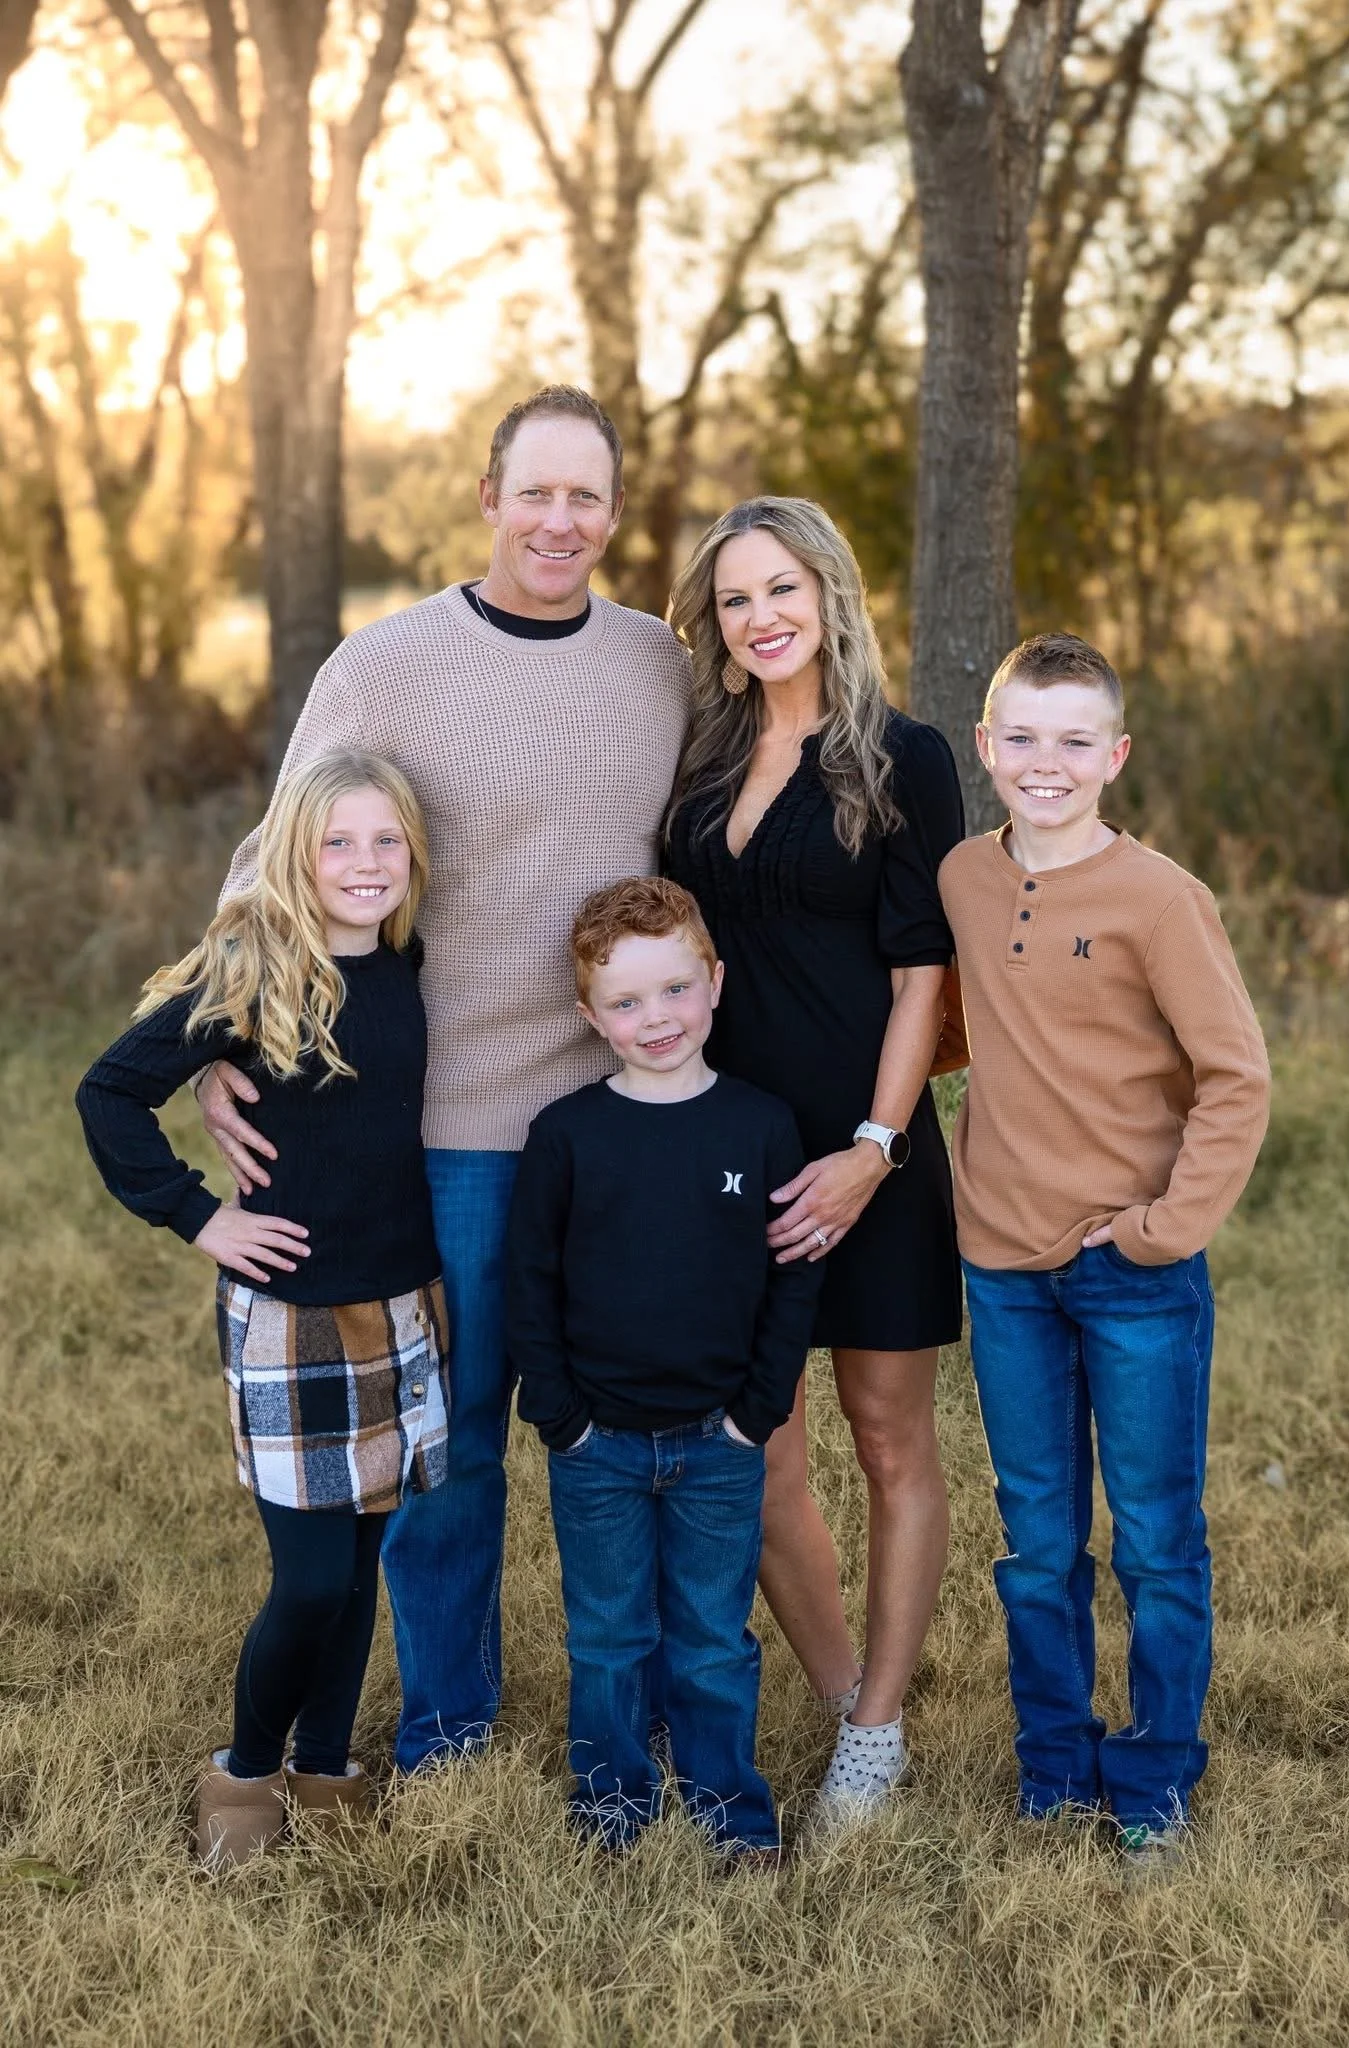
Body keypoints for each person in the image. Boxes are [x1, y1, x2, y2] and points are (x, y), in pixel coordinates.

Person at [192, 387, 692, 1771]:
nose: (559, 520)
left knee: (632, 1437)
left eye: (586, 496)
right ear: (485, 497)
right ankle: (452, 1719)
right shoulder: (385, 665)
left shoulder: (657, 665)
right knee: (456, 1447)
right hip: (456, 1129)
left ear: (612, 510)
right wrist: (218, 1049)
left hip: (624, 1122)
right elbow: (274, 867)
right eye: (534, 491)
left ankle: (642, 1705)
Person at [76, 752, 449, 1869]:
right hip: (289, 1315)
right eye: (338, 841)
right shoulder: (253, 967)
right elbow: (108, 1092)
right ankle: (244, 1765)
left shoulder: (405, 960)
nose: (365, 863)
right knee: (310, 1577)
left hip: (399, 1304)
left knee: (366, 1559)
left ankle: (327, 1762)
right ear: (293, 850)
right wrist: (200, 1217)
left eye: (387, 840)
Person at [939, 631, 1271, 1877]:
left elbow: (1235, 1078)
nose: (1045, 761)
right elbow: (962, 1027)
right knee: (1035, 1540)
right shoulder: (966, 876)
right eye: (1020, 736)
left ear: (1114, 756)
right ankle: (1053, 1765)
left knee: (1153, 1539)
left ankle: (1153, 1776)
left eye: (1074, 740)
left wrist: (1159, 1228)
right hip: (1002, 1266)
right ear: (984, 744)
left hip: (1131, 1271)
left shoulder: (1160, 899)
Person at [665, 497, 965, 1829]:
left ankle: (881, 1732)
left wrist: (874, 1149)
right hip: (730, 1153)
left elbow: (922, 977)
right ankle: (848, 1698)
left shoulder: (902, 756)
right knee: (759, 1450)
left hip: (869, 1144)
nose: (760, 615)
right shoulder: (703, 761)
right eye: (735, 599)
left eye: (780, 588)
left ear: (831, 594)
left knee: (892, 1440)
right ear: (716, 626)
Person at [508, 877, 821, 1860]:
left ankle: (730, 1808)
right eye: (627, 1001)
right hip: (595, 1442)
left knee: (713, 1640)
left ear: (715, 982)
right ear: (589, 1017)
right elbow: (531, 1284)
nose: (656, 1018)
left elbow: (790, 1281)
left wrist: (757, 1410)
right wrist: (560, 1415)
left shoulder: (760, 1126)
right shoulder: (566, 1135)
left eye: (675, 989)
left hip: (719, 1441)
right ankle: (611, 1803)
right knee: (607, 1637)